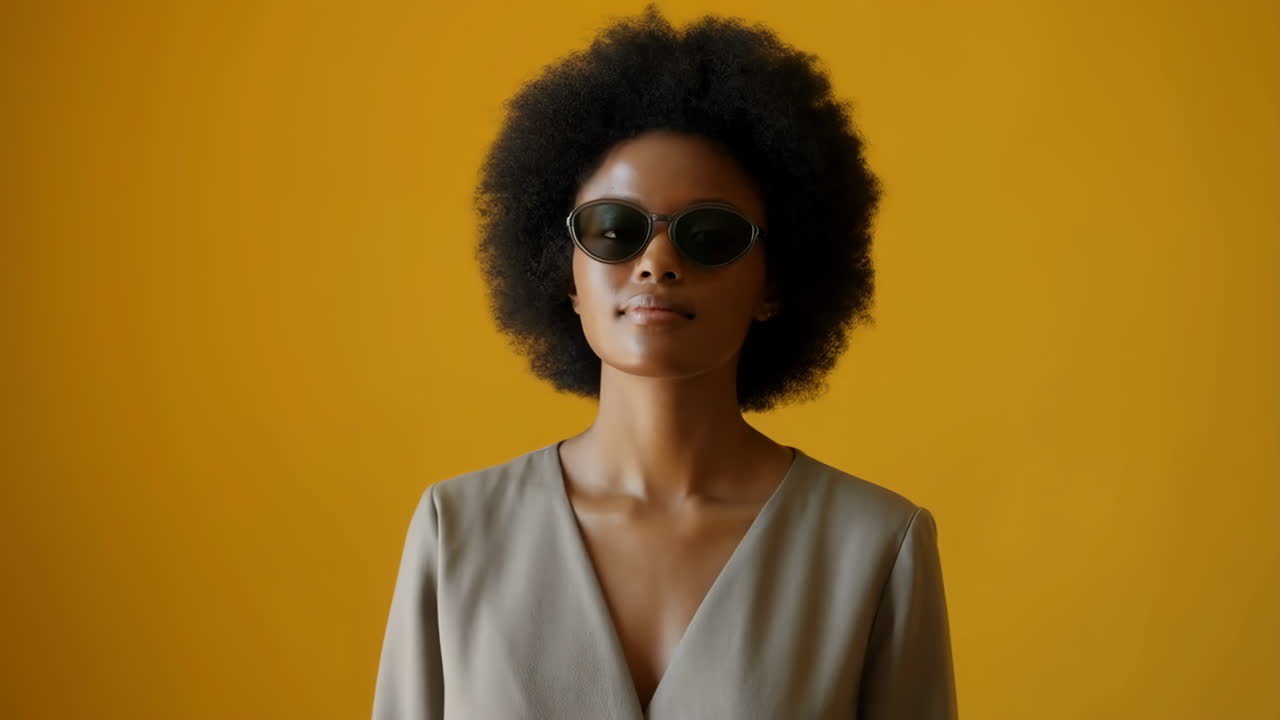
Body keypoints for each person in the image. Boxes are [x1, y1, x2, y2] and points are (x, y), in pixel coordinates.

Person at [372, 4, 957, 718]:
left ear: (774, 282)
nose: (656, 262)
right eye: (614, 229)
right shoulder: (457, 530)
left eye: (708, 234)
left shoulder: (873, 547)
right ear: (566, 275)